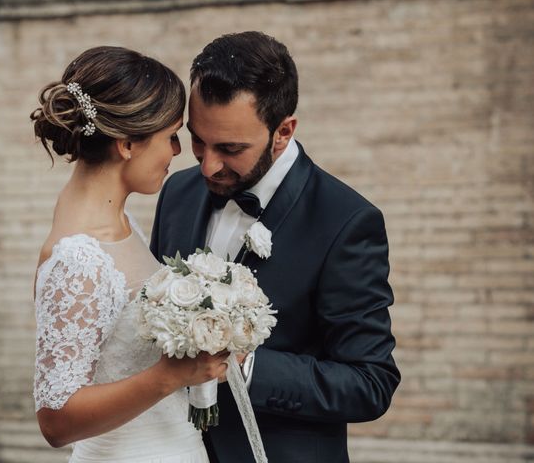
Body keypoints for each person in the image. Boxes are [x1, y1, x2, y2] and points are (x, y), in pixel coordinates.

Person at [150, 31, 401, 463]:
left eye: (230, 148)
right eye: (197, 140)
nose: (207, 164)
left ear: (283, 130)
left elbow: (370, 383)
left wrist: (244, 365)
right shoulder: (178, 192)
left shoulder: (346, 222)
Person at [31, 46, 228, 463]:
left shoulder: (122, 222)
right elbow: (56, 421)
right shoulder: (77, 259)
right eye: (171, 135)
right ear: (125, 144)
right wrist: (169, 376)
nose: (177, 151)